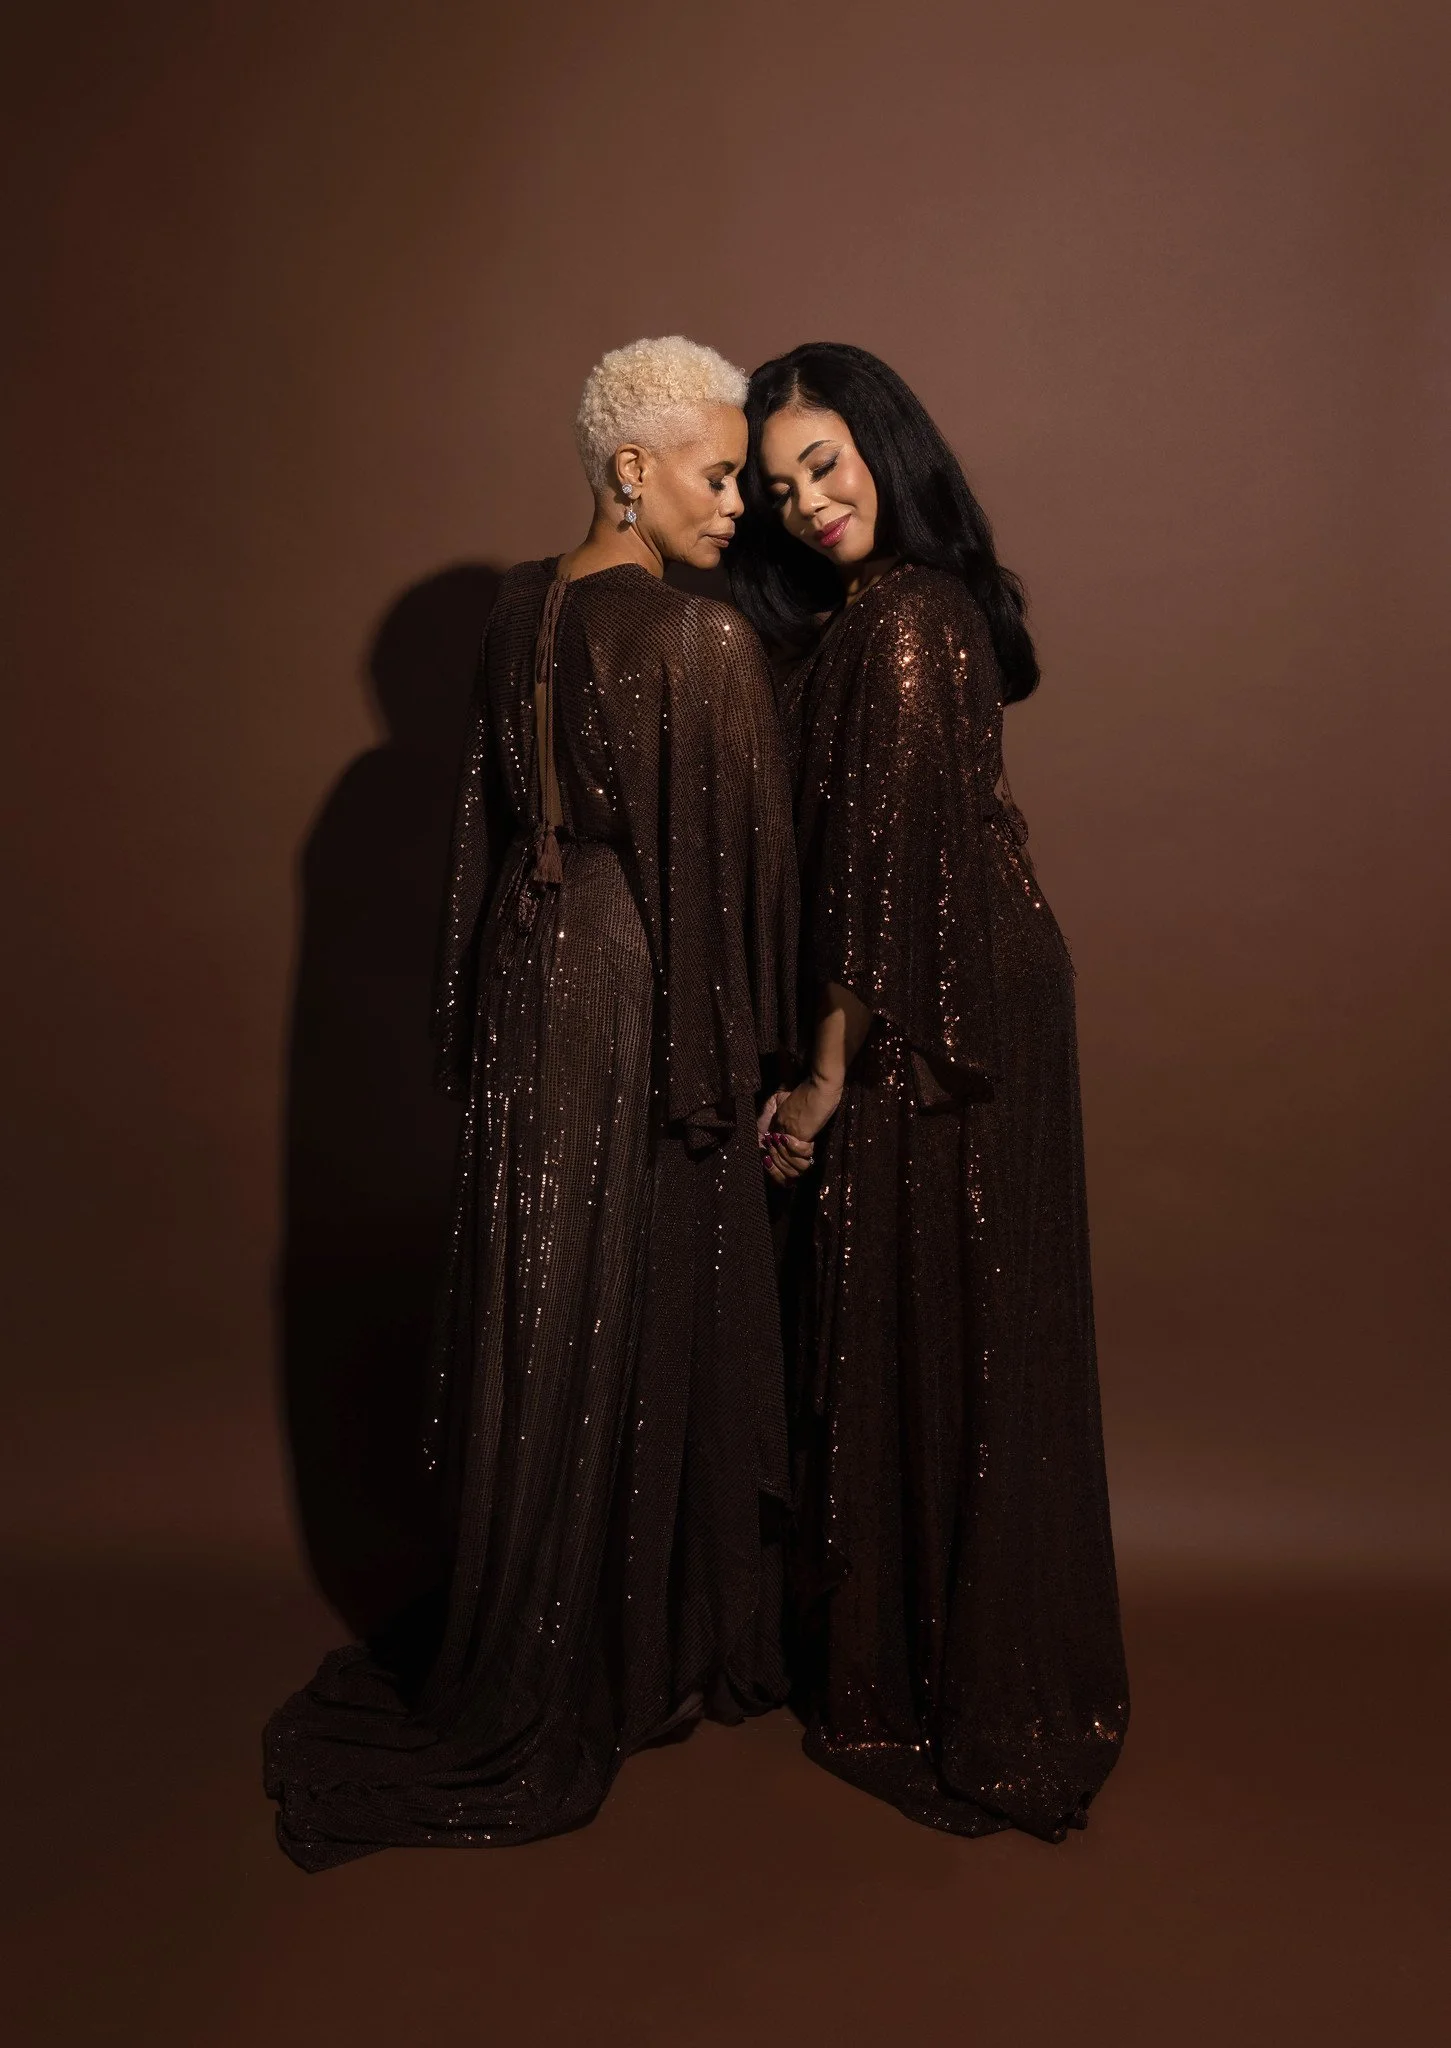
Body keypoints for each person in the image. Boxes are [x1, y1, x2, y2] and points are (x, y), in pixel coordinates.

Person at [265, 337, 799, 1869]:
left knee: (540, 1296)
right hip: (632, 992)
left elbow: (479, 860)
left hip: (526, 982)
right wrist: (752, 1052)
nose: (734, 510)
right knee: (637, 1287)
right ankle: (618, 1647)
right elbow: (743, 890)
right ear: (630, 470)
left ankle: (538, 1617)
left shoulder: (517, 616)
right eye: (715, 476)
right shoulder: (699, 651)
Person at [730, 342, 1128, 1842]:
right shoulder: (868, 617)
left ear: (889, 448)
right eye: (780, 489)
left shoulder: (909, 625)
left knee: (954, 1318)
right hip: (940, 980)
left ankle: (969, 1682)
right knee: (925, 1316)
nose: (811, 503)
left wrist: (822, 1081)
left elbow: (881, 872)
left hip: (937, 1007)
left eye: (826, 464)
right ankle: (920, 1659)